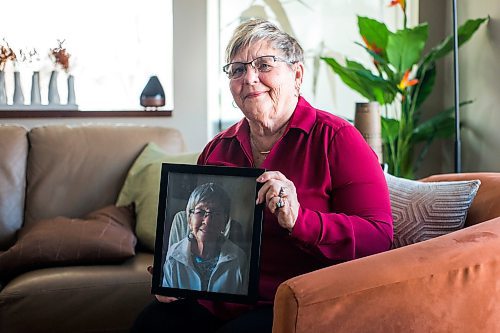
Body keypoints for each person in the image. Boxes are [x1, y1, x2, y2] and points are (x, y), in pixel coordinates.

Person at [131, 18, 393, 333]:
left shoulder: (336, 138)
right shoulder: (219, 147)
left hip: (295, 302)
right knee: (150, 324)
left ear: (296, 74)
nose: (250, 78)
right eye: (238, 69)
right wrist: (174, 277)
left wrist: (301, 220)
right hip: (219, 300)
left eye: (264, 65)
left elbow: (379, 237)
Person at [162, 182, 248, 295]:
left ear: (225, 221)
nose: (207, 221)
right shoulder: (173, 255)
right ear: (189, 219)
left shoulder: (239, 258)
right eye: (200, 212)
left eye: (216, 213)